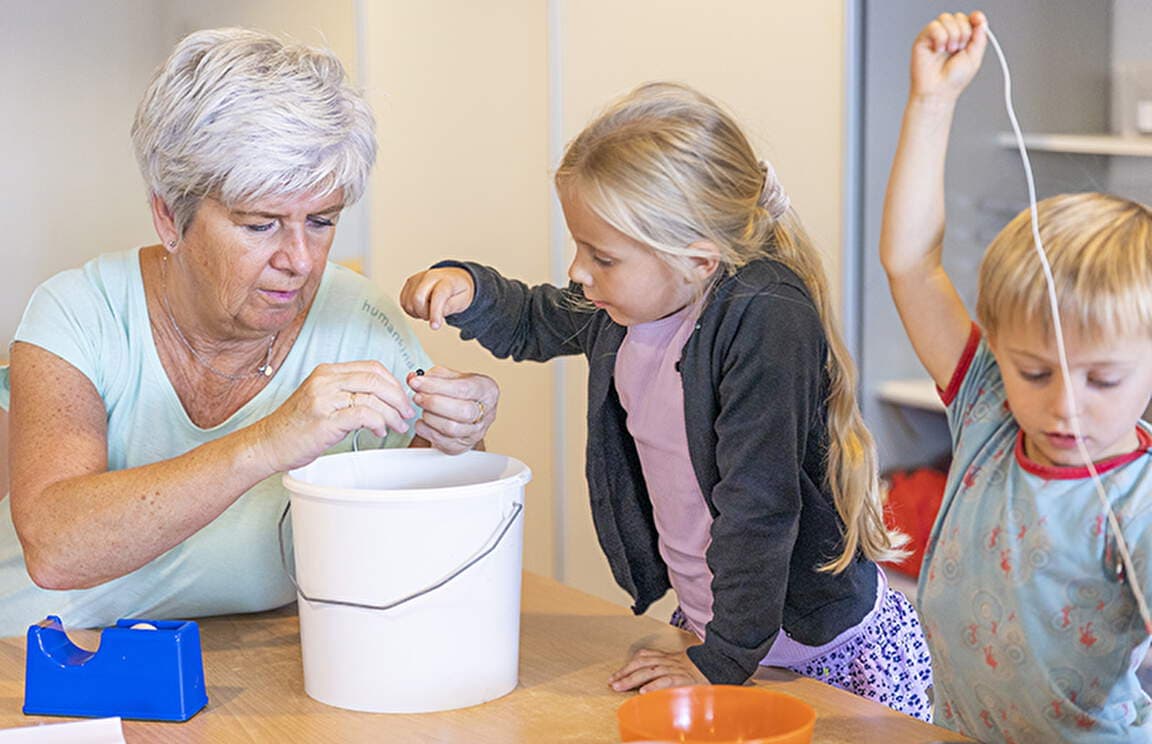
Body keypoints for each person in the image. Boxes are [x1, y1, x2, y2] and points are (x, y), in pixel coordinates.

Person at [401, 81, 933, 719]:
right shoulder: (627, 304)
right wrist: (470, 288)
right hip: (721, 629)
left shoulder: (763, 316)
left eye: (602, 256)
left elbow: (758, 505)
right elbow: (539, 318)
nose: (578, 271)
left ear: (698, 259)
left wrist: (719, 660)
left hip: (812, 647)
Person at [0, 28, 499, 636]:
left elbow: (411, 542)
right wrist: (270, 441)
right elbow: (56, 549)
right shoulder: (77, 312)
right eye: (261, 225)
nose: (301, 260)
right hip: (41, 659)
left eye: (320, 221)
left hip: (251, 664)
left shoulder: (356, 315)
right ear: (169, 215)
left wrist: (458, 442)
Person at [881, 11, 1152, 741]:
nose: (1064, 405)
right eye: (1034, 370)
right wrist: (932, 104)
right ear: (999, 352)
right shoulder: (988, 410)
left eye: (1103, 381)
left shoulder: (1140, 498)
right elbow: (911, 264)